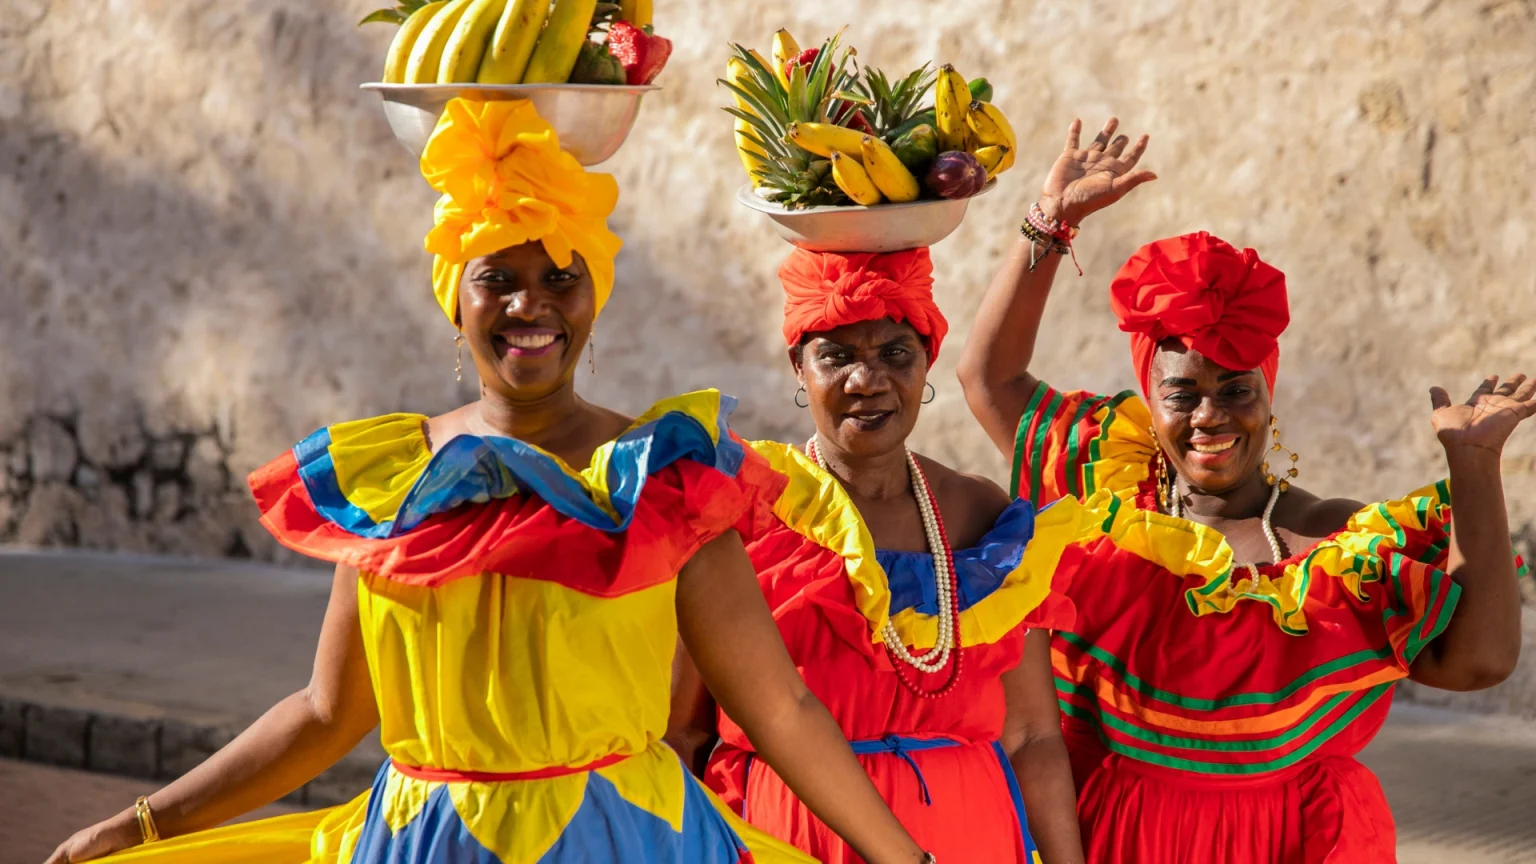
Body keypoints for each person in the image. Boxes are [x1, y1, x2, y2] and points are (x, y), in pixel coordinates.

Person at [46, 99, 940, 864]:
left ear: (595, 297)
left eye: (561, 277)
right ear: (456, 298)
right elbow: (326, 713)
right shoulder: (389, 480)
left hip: (626, 840)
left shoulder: (665, 480)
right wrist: (139, 825)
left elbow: (779, 709)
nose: (530, 304)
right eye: (497, 278)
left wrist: (905, 859)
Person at [956, 117, 1535, 862]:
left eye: (1237, 390)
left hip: (1291, 844)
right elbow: (989, 379)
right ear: (1148, 394)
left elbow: (1477, 662)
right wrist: (1049, 222)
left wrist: (1476, 465)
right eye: (1183, 393)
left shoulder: (1333, 549)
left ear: (1270, 394)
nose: (1209, 416)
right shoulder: (1102, 497)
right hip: (1115, 839)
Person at [666, 246, 1091, 863]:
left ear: (927, 361)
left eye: (895, 353)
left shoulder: (982, 519)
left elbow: (1031, 736)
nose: (867, 382)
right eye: (836, 357)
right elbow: (685, 732)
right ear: (798, 366)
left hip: (976, 838)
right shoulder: (746, 515)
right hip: (799, 844)